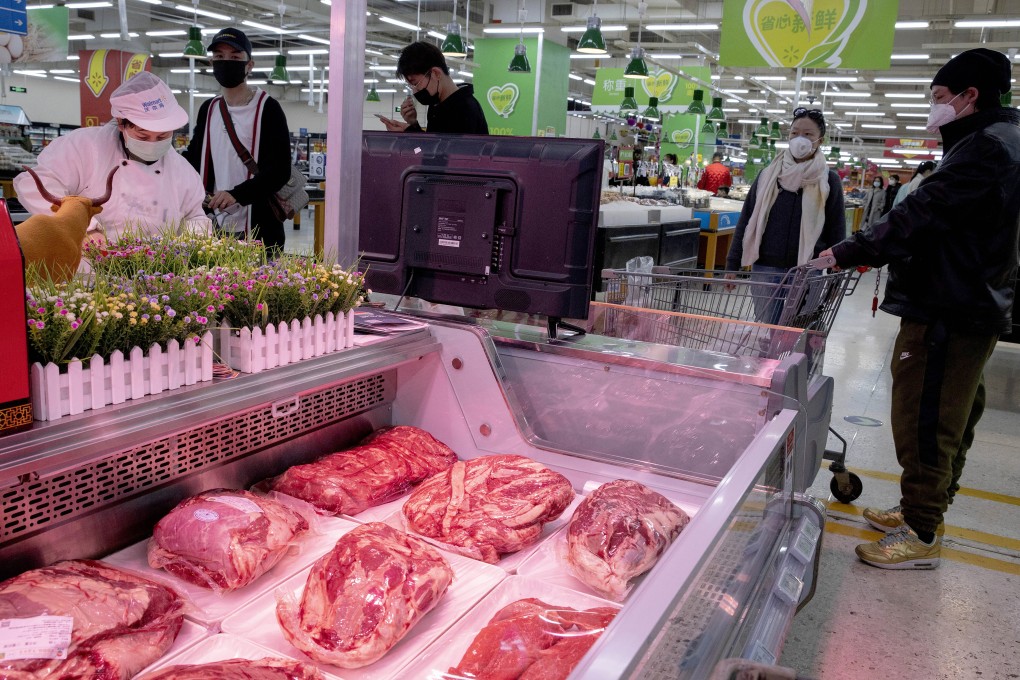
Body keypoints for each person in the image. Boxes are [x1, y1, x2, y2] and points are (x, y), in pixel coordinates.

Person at [819, 48, 1020, 570]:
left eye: (939, 97)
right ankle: (922, 508)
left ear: (969, 95)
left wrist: (848, 251)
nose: (934, 108)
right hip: (968, 299)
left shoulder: (987, 149)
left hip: (950, 305)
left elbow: (920, 215)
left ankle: (923, 531)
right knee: (954, 411)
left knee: (925, 417)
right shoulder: (995, 141)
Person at [14, 71, 209, 245]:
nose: (152, 142)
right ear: (121, 123)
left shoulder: (182, 171)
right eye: (143, 135)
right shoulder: (85, 147)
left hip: (153, 275)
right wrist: (82, 227)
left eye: (162, 136)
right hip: (84, 270)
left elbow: (195, 216)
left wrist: (192, 242)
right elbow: (35, 185)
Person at [724, 108, 846, 324]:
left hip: (809, 271)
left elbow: (837, 230)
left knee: (797, 333)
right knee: (770, 329)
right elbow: (747, 219)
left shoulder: (829, 181)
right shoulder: (768, 175)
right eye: (794, 133)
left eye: (808, 134)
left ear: (820, 140)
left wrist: (837, 275)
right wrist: (732, 264)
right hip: (766, 267)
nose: (800, 139)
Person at [184, 27, 293, 255]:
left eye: (234, 57)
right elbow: (194, 159)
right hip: (213, 224)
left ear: (249, 65)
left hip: (260, 228)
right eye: (220, 57)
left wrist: (237, 194)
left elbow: (280, 170)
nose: (226, 62)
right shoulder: (209, 109)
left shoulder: (268, 109)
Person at [377, 41, 488, 135]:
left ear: (435, 73)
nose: (414, 90)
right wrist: (413, 125)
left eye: (415, 83)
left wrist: (409, 132)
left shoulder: (464, 109)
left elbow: (442, 157)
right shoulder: (436, 105)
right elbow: (428, 150)